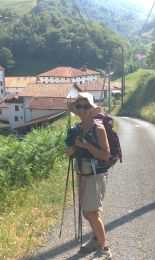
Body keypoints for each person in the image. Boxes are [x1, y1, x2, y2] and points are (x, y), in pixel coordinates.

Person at [66, 92, 112, 260]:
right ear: (76, 110)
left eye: (86, 106)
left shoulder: (98, 128)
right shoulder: (76, 128)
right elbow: (71, 150)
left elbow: (105, 155)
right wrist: (70, 151)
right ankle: (95, 239)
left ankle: (105, 248)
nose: (82, 109)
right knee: (88, 212)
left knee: (91, 211)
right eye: (79, 106)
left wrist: (86, 145)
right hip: (81, 172)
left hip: (96, 173)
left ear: (91, 108)